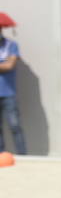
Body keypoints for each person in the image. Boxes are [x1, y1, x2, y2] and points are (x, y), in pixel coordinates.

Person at [0, 19, 26, 155]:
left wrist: (5, 65)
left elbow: (10, 65)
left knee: (15, 126)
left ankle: (23, 156)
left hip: (8, 93)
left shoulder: (11, 45)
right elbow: (5, 65)